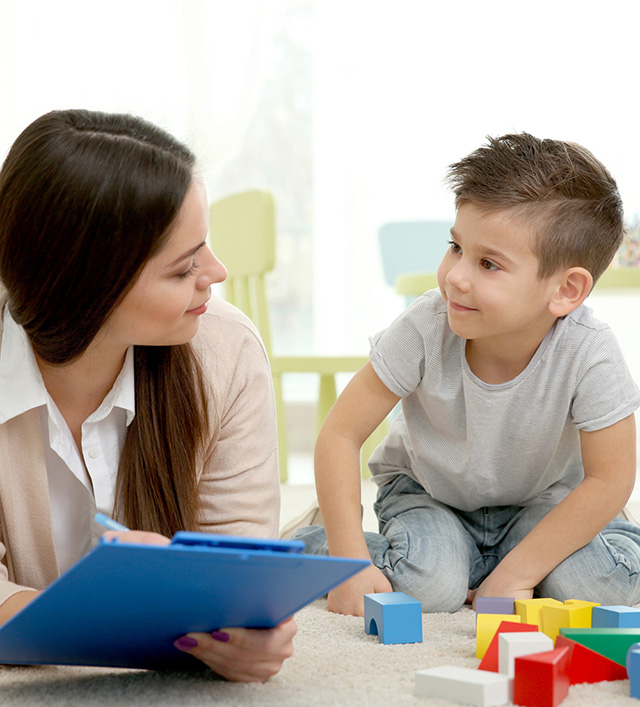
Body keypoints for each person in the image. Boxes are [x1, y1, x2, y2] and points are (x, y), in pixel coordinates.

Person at [0, 109, 295, 681]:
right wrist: (116, 611)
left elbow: (241, 563)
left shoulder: (225, 349)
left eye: (205, 246)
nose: (218, 271)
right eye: (184, 267)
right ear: (89, 286)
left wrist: (246, 631)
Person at [293, 133, 640, 617]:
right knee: (428, 588)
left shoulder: (591, 352)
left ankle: (507, 563)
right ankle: (316, 541)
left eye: (489, 263)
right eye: (455, 246)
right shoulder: (424, 326)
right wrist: (350, 562)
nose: (455, 275)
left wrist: (515, 575)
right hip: (431, 496)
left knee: (596, 590)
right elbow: (340, 433)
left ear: (566, 289)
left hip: (541, 502)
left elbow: (609, 480)